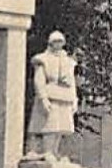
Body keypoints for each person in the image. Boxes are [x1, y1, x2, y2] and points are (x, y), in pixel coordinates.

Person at [26, 31, 78, 160]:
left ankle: (55, 151)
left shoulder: (68, 61)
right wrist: (43, 98)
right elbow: (39, 81)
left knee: (61, 127)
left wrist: (75, 100)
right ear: (51, 43)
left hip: (65, 97)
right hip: (50, 96)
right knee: (49, 126)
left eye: (61, 41)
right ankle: (46, 151)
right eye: (56, 41)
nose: (58, 44)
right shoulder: (42, 59)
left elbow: (72, 83)